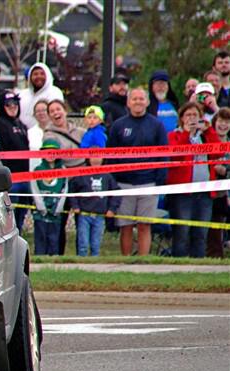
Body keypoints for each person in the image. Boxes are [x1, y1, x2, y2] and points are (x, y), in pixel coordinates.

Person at [106, 87, 168, 256]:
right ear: (128, 102)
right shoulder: (118, 125)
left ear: (147, 102)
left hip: (148, 183)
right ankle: (126, 261)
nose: (138, 102)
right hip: (123, 184)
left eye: (141, 99)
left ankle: (143, 262)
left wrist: (159, 181)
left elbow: (164, 155)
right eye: (134, 99)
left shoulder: (157, 125)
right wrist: (114, 182)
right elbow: (110, 156)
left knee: (144, 225)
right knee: (125, 226)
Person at [165, 101, 221, 258]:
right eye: (188, 115)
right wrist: (186, 134)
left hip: (204, 193)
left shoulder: (205, 136)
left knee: (201, 232)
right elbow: (176, 156)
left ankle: (198, 264)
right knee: (182, 232)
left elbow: (217, 152)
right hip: (182, 193)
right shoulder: (174, 135)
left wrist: (209, 130)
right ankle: (179, 264)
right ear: (182, 118)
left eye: (195, 115)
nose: (191, 118)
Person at [43, 99, 85, 254]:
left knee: (83, 221)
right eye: (52, 111)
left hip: (82, 182)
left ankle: (83, 255)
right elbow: (56, 158)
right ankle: (58, 253)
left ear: (65, 110)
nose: (56, 113)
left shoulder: (80, 132)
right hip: (63, 182)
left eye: (58, 109)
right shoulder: (49, 136)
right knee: (61, 222)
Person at [0, 90, 30, 231]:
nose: (13, 106)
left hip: (25, 179)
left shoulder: (21, 125)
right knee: (9, 219)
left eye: (15, 103)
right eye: (8, 104)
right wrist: (5, 177)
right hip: (10, 181)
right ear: (1, 106)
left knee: (21, 217)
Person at [68, 150, 121, 256]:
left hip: (100, 216)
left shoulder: (107, 176)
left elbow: (116, 193)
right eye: (93, 157)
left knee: (95, 244)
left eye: (98, 157)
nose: (96, 160)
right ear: (88, 159)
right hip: (84, 215)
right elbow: (72, 191)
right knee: (83, 243)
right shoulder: (81, 175)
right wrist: (75, 206)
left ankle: (95, 265)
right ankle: (81, 264)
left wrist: (112, 209)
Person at [30, 139, 68, 255]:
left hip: (56, 209)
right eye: (47, 152)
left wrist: (58, 208)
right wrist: (41, 207)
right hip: (41, 210)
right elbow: (34, 189)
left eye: (53, 152)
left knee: (54, 237)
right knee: (41, 235)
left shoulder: (63, 170)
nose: (50, 156)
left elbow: (65, 190)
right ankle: (40, 257)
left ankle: (53, 259)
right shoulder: (37, 170)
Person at [207, 107, 230, 257]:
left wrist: (226, 171)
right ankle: (215, 255)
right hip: (210, 192)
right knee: (213, 227)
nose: (223, 125)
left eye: (227, 122)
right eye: (221, 121)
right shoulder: (207, 141)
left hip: (226, 192)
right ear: (214, 122)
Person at [18, 62, 64, 128]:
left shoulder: (54, 92)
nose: (39, 76)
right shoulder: (22, 94)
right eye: (35, 74)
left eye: (42, 74)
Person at [147, 69, 179, 134]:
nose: (161, 87)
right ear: (152, 87)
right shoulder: (147, 106)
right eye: (158, 84)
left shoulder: (175, 105)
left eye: (163, 84)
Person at [27, 99, 50, 172]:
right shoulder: (29, 133)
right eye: (38, 111)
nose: (41, 113)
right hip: (34, 171)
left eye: (44, 110)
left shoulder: (57, 131)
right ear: (34, 115)